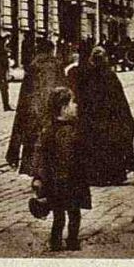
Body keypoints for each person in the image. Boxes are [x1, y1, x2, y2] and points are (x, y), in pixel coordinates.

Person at [31, 86, 91, 252]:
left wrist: (39, 176)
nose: (76, 105)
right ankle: (70, 241)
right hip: (70, 180)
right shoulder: (71, 130)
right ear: (64, 108)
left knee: (61, 214)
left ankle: (57, 241)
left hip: (57, 181)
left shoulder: (50, 130)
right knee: (72, 213)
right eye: (73, 103)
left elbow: (40, 155)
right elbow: (42, 155)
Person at [73, 45, 134, 186]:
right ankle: (114, 175)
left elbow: (79, 98)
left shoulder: (85, 75)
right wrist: (127, 118)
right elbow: (120, 99)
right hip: (109, 118)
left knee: (94, 146)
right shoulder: (109, 75)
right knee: (111, 146)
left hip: (92, 119)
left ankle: (96, 176)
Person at [7, 38, 65, 174]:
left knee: (34, 144)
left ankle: (35, 174)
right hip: (52, 112)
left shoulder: (33, 66)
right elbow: (63, 89)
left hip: (32, 112)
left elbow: (25, 95)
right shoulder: (57, 65)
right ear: (52, 50)